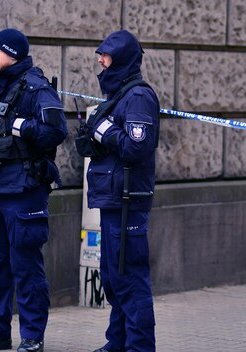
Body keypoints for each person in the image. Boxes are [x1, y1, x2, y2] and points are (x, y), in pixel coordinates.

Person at [0, 28, 68, 352]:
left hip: (24, 190)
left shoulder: (36, 88)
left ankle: (32, 336)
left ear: (12, 54)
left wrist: (24, 127)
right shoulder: (1, 89)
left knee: (26, 267)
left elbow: (56, 131)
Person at [77, 29, 160, 352]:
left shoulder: (138, 97)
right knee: (113, 279)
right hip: (112, 199)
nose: (101, 61)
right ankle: (118, 342)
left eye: (106, 56)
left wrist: (105, 131)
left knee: (131, 280)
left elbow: (137, 147)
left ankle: (139, 347)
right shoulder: (119, 95)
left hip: (129, 201)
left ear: (121, 59)